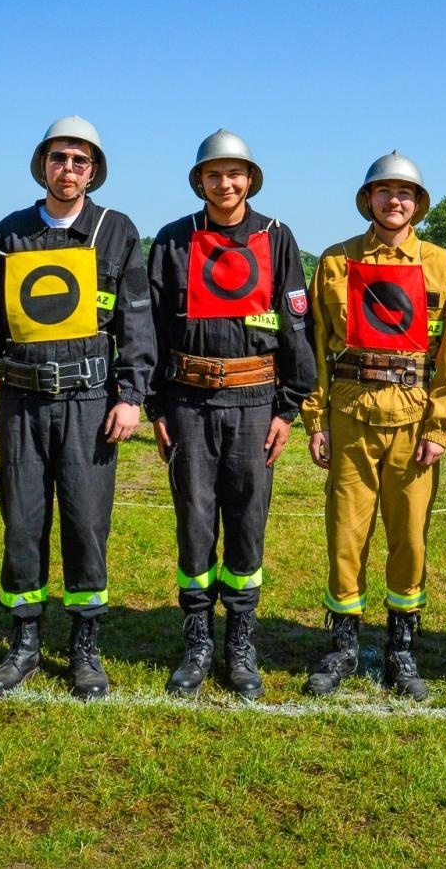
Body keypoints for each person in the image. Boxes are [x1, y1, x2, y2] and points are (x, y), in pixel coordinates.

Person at [0, 115, 154, 700]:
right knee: (21, 522)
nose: (68, 169)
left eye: (80, 160)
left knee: (85, 524)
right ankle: (23, 642)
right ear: (42, 164)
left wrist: (133, 395)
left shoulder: (116, 231)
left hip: (90, 404)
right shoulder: (11, 230)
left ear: (93, 171)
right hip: (22, 402)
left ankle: (85, 647)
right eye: (58, 158)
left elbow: (137, 323)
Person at [146, 129, 314, 699]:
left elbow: (295, 324)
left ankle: (240, 641)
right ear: (200, 181)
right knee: (194, 523)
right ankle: (197, 641)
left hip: (254, 402)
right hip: (188, 401)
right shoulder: (173, 239)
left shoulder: (276, 236)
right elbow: (152, 328)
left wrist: (287, 408)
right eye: (214, 174)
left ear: (250, 179)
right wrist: (155, 405)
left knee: (246, 522)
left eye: (235, 173)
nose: (225, 183)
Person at [298, 151, 446, 701]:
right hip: (349, 414)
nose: (395, 201)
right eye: (384, 191)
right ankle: (343, 645)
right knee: (346, 535)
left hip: (414, 423)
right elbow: (316, 346)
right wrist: (315, 419)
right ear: (368, 199)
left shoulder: (441, 263)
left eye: (406, 193)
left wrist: (441, 426)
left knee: (409, 537)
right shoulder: (335, 261)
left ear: (418, 204)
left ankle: (401, 647)